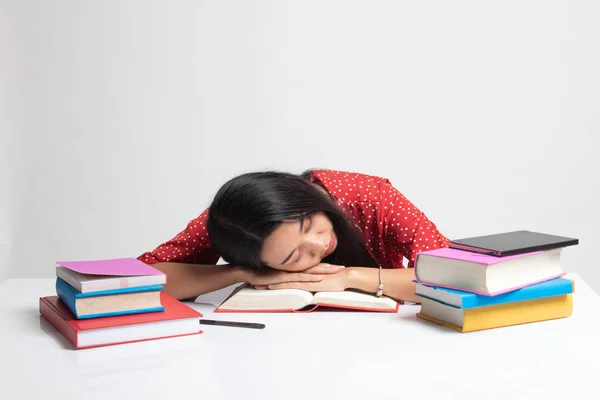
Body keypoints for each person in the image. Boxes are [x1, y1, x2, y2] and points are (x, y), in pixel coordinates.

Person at [138, 169, 450, 303]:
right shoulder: (230, 223)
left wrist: (349, 277)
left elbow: (456, 277)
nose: (319, 243)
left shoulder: (371, 197)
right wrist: (240, 271)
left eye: (306, 223)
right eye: (293, 257)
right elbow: (138, 282)